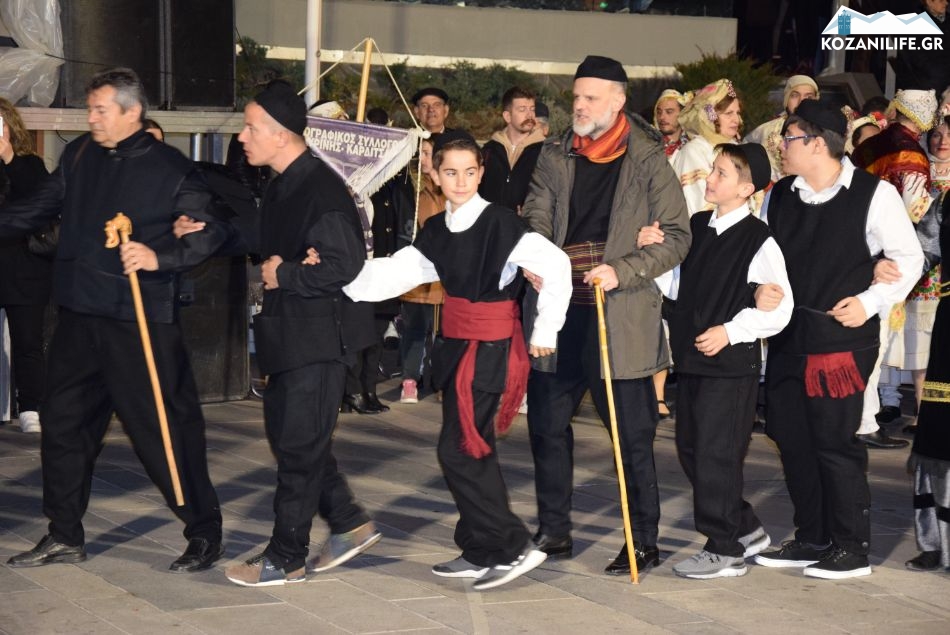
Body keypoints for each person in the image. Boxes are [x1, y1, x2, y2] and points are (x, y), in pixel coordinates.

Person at [0, 67, 225, 573]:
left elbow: (209, 232)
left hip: (138, 320)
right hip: (80, 316)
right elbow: (36, 208)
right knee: (63, 426)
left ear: (132, 111)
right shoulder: (80, 155)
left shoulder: (172, 168)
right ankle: (64, 533)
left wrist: (160, 256)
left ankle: (204, 531)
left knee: (162, 430)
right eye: (90, 109)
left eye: (101, 110)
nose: (92, 118)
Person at [343, 132, 572, 591]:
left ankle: (512, 546)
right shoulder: (437, 229)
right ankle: (480, 547)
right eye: (451, 172)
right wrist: (339, 272)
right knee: (470, 445)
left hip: (489, 348)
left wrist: (546, 330)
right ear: (435, 175)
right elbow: (398, 272)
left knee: (461, 448)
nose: (461, 181)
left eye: (470, 172)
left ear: (482, 173)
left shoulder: (501, 223)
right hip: (456, 347)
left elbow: (557, 265)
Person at [521, 55, 691, 576]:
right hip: (559, 310)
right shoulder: (554, 153)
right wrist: (535, 254)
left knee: (631, 436)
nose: (579, 105)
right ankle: (554, 531)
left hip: (618, 313)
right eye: (576, 96)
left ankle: (642, 540)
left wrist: (623, 269)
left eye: (590, 97)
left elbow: (677, 236)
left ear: (617, 101)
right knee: (546, 426)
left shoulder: (648, 158)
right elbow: (537, 212)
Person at [219, 81, 381, 587]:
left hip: (319, 341)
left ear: (281, 134)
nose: (242, 137)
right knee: (296, 442)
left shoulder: (318, 188)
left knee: (298, 449)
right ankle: (348, 523)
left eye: (251, 128)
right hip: (289, 336)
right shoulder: (283, 183)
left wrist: (284, 273)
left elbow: (344, 263)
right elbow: (272, 240)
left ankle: (286, 556)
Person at [753, 99, 923, 579]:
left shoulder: (874, 194)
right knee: (790, 436)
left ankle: (851, 548)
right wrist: (758, 289)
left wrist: (869, 301)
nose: (781, 146)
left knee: (833, 440)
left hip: (841, 340)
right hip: (788, 335)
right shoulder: (779, 195)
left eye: (789, 138)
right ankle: (812, 537)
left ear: (816, 143)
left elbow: (908, 258)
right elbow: (761, 257)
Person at [642, 143, 793, 578]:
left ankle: (724, 550)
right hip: (692, 361)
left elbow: (780, 308)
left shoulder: (759, 239)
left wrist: (731, 331)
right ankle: (744, 529)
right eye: (713, 169)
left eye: (721, 173)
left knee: (717, 456)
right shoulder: (696, 226)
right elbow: (677, 288)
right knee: (692, 451)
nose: (709, 179)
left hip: (730, 368)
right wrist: (655, 251)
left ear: (746, 188)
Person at [852, 88, 937, 449]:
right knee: (877, 340)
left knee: (862, 341)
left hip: (856, 249)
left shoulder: (869, 146)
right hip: (890, 255)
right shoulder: (911, 153)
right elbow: (917, 210)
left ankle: (862, 417)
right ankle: (863, 422)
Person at [905, 177, 950, 572]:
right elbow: (917, 253)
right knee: (938, 432)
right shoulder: (946, 203)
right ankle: (935, 541)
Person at [0, 97, 51, 434]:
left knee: (28, 341)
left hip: (24, 268)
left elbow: (39, 201)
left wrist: (8, 158)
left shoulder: (30, 164)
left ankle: (30, 406)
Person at [901, 114, 950, 435]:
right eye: (936, 134)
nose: (941, 141)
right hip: (926, 268)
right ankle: (922, 410)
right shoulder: (918, 171)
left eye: (948, 134)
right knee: (922, 343)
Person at [398, 134, 446, 404]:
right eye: (421, 153)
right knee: (414, 327)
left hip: (444, 272)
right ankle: (409, 380)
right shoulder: (411, 186)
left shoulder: (450, 189)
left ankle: (441, 380)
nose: (423, 158)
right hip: (417, 268)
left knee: (444, 330)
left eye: (428, 153)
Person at [673, 79, 743, 215]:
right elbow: (700, 204)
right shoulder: (694, 151)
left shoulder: (736, 147)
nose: (736, 120)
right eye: (729, 113)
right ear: (710, 116)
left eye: (738, 113)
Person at [479, 86, 546, 212]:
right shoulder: (488, 151)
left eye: (532, 109)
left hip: (527, 223)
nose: (530, 115)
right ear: (507, 116)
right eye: (522, 109)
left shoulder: (545, 152)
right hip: (490, 222)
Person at [744, 75, 819, 182]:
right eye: (794, 95)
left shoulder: (825, 131)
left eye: (809, 97)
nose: (801, 101)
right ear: (786, 100)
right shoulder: (767, 130)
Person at [653, 88, 691, 164]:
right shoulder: (650, 144)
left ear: (682, 113)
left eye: (669, 112)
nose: (662, 117)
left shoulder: (692, 141)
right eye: (659, 112)